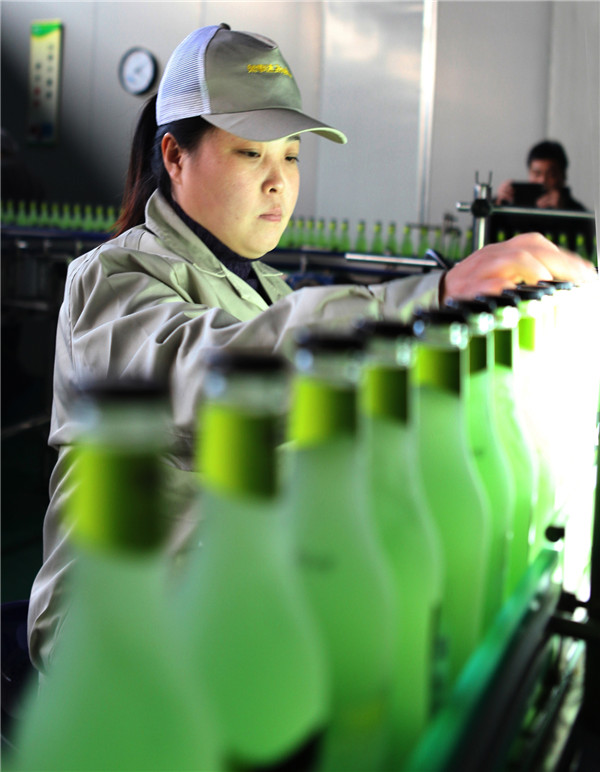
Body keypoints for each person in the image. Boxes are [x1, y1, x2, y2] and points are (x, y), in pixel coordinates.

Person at [26, 24, 596, 674]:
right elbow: (214, 380)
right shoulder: (110, 281)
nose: (279, 182)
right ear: (175, 156)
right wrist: (429, 301)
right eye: (251, 154)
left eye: (291, 156)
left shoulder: (267, 288)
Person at [495, 140, 589, 211]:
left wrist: (563, 211)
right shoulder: (514, 200)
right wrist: (497, 203)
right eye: (537, 174)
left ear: (563, 175)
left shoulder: (577, 212)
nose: (542, 180)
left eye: (551, 174)